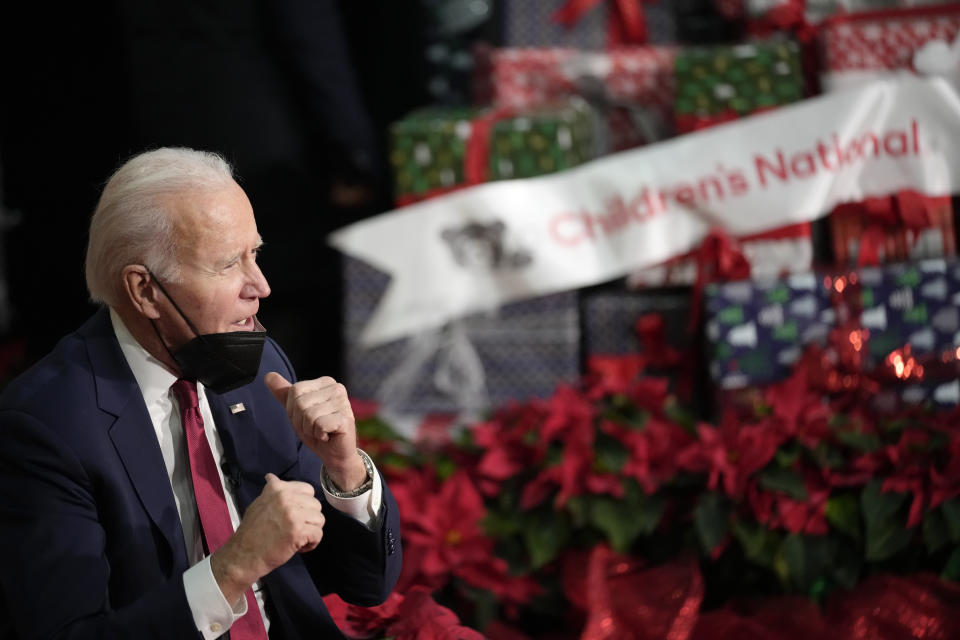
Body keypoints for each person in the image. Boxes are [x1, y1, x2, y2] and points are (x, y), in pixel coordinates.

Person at [0, 147, 402, 639]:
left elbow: (364, 584)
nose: (261, 285)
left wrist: (344, 471)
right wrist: (232, 569)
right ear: (145, 290)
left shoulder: (260, 368)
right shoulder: (45, 426)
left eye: (255, 254)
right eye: (229, 263)